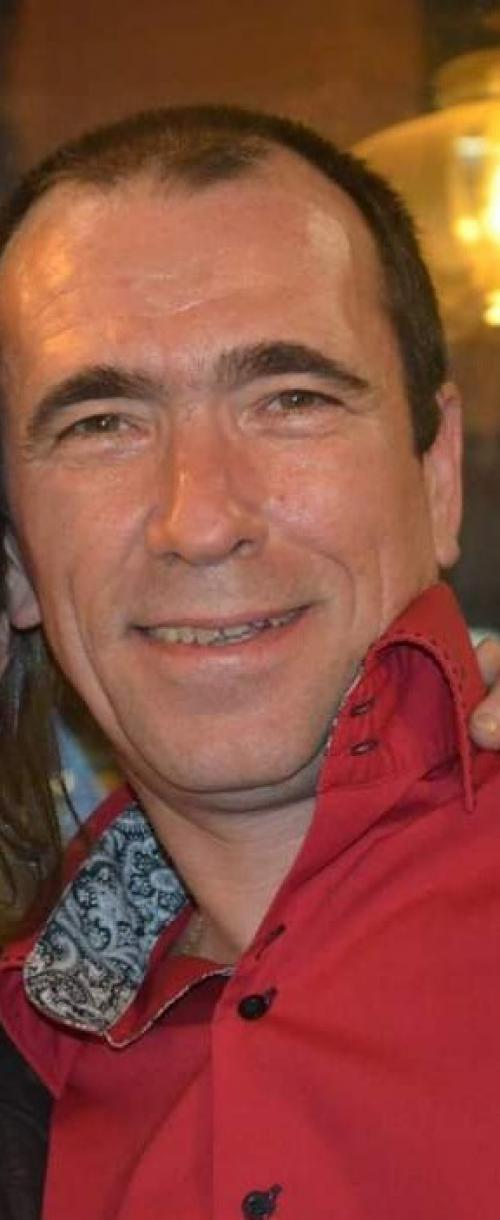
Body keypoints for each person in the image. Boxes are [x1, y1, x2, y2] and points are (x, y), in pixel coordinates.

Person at [1, 103, 500, 1219]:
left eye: (290, 401)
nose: (199, 519)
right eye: (101, 424)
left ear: (436, 478)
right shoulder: (28, 1061)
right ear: (18, 561)